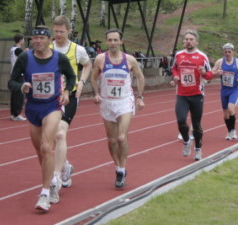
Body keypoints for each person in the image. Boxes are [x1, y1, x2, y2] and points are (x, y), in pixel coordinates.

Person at [8, 25, 76, 212]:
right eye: (35, 38)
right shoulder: (25, 58)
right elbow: (11, 81)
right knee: (40, 151)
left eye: (41, 38)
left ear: (49, 40)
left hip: (52, 106)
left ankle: (44, 194)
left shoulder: (59, 58)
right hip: (33, 108)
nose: (38, 41)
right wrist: (22, 86)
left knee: (47, 146)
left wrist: (68, 92)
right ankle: (53, 181)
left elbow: (71, 77)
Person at [91, 28, 145, 188]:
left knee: (121, 137)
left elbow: (140, 77)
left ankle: (122, 167)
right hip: (107, 102)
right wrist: (96, 93)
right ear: (106, 41)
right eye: (110, 40)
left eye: (116, 40)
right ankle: (118, 167)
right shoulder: (100, 59)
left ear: (121, 42)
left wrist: (140, 97)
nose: (113, 43)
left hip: (124, 102)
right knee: (112, 140)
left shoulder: (129, 60)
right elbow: (93, 78)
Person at [51, 15, 92, 189]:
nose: (58, 34)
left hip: (69, 96)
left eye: (61, 31)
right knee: (51, 136)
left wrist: (81, 82)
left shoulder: (77, 50)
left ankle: (56, 176)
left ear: (68, 31)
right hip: (50, 98)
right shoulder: (47, 47)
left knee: (60, 133)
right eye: (55, 31)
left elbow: (87, 65)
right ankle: (66, 165)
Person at [171, 29, 213, 161]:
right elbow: (174, 68)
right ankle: (186, 141)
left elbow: (210, 75)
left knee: (196, 124)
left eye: (191, 39)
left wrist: (204, 73)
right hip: (182, 94)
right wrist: (176, 77)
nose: (188, 41)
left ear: (196, 42)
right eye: (187, 39)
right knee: (181, 120)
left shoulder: (202, 56)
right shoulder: (178, 55)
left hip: (197, 95)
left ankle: (198, 148)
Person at [212, 43, 238, 140]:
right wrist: (216, 73)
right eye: (225, 52)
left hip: (234, 89)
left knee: (231, 108)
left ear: (232, 52)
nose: (227, 54)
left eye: (229, 52)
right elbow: (211, 72)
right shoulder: (220, 62)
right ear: (223, 52)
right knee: (225, 114)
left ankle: (233, 131)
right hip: (224, 90)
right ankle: (229, 131)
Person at [9, 33, 27, 121]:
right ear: (21, 40)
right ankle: (17, 114)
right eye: (23, 39)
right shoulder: (18, 50)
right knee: (19, 95)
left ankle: (13, 113)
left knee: (14, 95)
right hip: (18, 74)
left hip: (13, 73)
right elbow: (24, 58)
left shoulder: (12, 49)